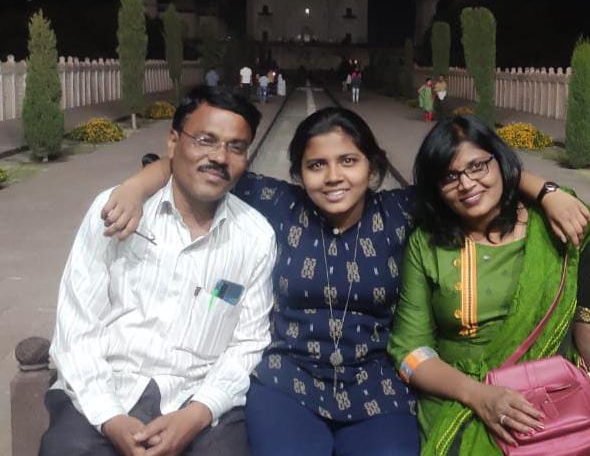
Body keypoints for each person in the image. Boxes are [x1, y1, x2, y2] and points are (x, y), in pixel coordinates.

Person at [102, 109, 588, 456]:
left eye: (348, 162)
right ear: (298, 173)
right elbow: (199, 164)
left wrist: (547, 193)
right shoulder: (278, 204)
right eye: (317, 165)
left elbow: (471, 174)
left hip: (376, 386)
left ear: (373, 169)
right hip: (287, 382)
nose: (333, 177)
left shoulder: (400, 212)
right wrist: (134, 187)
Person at [40, 86, 277, 456]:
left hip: (196, 395)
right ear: (172, 142)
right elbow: (77, 326)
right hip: (107, 386)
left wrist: (198, 413)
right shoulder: (117, 210)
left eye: (236, 147)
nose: (219, 157)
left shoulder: (255, 236)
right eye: (205, 140)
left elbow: (248, 343)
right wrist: (111, 417)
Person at [388, 114, 590, 454]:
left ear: (500, 163)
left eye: (478, 166)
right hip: (461, 400)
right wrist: (479, 396)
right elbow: (410, 352)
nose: (466, 185)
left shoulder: (552, 222)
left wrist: (549, 191)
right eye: (449, 177)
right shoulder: (427, 244)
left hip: (553, 395)